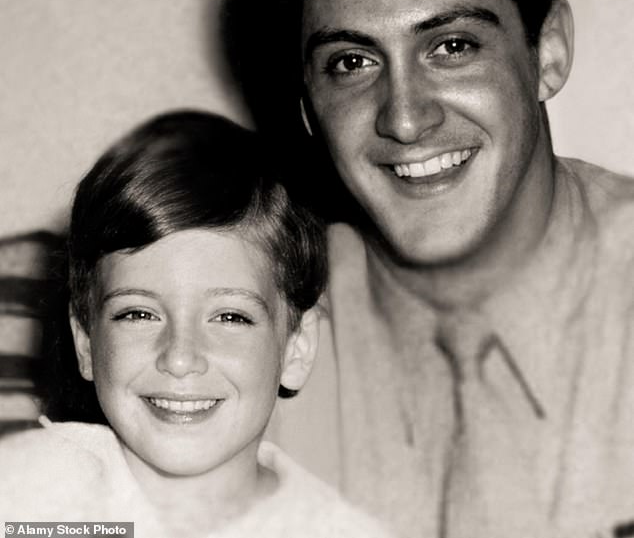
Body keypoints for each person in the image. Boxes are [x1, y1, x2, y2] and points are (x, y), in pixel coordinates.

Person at [231, 0, 634, 537]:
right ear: (306, 108)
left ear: (549, 50)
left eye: (452, 46)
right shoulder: (244, 339)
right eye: (352, 63)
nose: (406, 119)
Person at [0, 111, 393, 538]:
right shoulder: (29, 497)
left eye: (229, 317)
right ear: (85, 343)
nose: (180, 358)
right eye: (139, 314)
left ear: (296, 348)